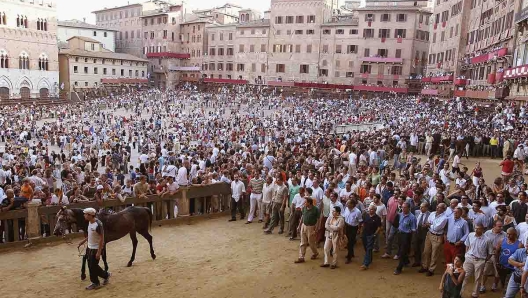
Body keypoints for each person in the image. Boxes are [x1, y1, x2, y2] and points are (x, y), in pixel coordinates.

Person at [77, 208, 110, 290]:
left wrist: (99, 252)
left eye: (85, 214)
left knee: (93, 266)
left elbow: (102, 238)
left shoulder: (98, 224)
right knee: (91, 266)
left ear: (90, 215)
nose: (84, 215)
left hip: (95, 249)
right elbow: (91, 234)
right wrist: (83, 241)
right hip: (89, 247)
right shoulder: (90, 222)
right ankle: (105, 275)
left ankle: (96, 282)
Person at [461, 223, 494, 298]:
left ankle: (475, 294)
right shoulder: (470, 235)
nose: (476, 230)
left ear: (482, 229)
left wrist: (485, 260)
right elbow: (467, 245)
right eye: (475, 228)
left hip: (480, 260)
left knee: (478, 278)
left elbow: (491, 252)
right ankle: (459, 293)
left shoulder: (487, 240)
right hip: (469, 258)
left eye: (478, 228)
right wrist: (466, 254)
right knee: (464, 276)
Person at [420, 203, 448, 276]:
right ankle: (425, 266)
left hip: (437, 236)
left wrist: (430, 225)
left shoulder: (444, 218)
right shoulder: (432, 213)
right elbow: (428, 222)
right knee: (426, 251)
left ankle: (431, 269)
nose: (437, 208)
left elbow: (437, 228)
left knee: (434, 254)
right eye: (437, 207)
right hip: (429, 234)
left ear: (443, 209)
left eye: (440, 208)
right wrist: (431, 225)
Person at [481, 220, 506, 293]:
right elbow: (483, 243)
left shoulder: (504, 234)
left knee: (497, 272)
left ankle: (494, 285)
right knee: (485, 271)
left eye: (502, 226)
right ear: (494, 226)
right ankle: (482, 286)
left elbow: (506, 244)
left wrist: (498, 248)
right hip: (488, 255)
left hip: (499, 256)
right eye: (499, 226)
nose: (501, 228)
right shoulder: (487, 233)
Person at [294, 197, 320, 263]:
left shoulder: (316, 209)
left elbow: (318, 219)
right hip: (304, 225)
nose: (304, 203)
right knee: (303, 242)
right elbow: (303, 216)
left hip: (311, 227)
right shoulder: (304, 208)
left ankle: (315, 253)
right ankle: (301, 257)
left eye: (305, 202)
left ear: (309, 203)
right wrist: (299, 225)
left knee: (311, 243)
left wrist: (316, 229)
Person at [394, 202, 417, 275]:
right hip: (400, 234)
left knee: (402, 252)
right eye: (402, 207)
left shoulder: (412, 217)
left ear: (409, 208)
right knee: (401, 248)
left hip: (407, 235)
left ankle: (399, 268)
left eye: (405, 207)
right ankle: (406, 261)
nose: (403, 209)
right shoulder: (400, 214)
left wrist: (412, 240)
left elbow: (414, 229)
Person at [496, 227, 521, 292]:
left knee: (508, 284)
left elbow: (520, 257)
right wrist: (497, 262)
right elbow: (497, 251)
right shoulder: (502, 241)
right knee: (503, 282)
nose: (508, 236)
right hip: (502, 266)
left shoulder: (519, 244)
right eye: (507, 234)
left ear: (515, 235)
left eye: (510, 234)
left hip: (512, 268)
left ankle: (506, 295)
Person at [360, 204, 382, 271]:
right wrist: (361, 231)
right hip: (364, 234)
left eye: (372, 209)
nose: (370, 210)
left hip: (371, 235)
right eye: (369, 209)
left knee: (369, 248)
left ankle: (365, 264)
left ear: (375, 210)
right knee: (366, 248)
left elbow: (379, 227)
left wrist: (375, 234)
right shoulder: (366, 216)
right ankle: (369, 259)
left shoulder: (377, 218)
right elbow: (363, 224)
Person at [342, 199, 362, 264]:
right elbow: (345, 217)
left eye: (348, 203)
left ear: (352, 204)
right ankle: (351, 253)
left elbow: (360, 221)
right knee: (348, 241)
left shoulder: (358, 212)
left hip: (353, 228)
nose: (347, 204)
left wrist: (359, 229)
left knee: (350, 242)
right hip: (347, 226)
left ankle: (349, 257)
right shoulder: (346, 209)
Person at [412, 202, 431, 267]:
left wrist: (427, 225)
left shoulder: (430, 215)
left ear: (426, 208)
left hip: (425, 233)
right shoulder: (416, 212)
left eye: (422, 207)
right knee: (415, 247)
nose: (420, 208)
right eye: (420, 206)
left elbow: (432, 223)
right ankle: (417, 261)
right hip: (417, 231)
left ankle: (424, 263)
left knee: (424, 249)